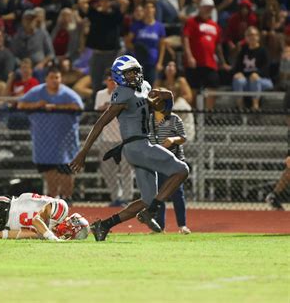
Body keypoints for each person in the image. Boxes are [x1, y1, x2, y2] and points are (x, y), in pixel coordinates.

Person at [70, 55, 189, 241]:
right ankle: (151, 212)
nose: (134, 75)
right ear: (119, 76)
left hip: (144, 144)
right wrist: (83, 152)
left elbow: (163, 114)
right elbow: (101, 123)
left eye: (135, 71)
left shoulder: (145, 87)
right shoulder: (123, 92)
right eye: (129, 73)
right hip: (137, 145)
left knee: (148, 199)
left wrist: (169, 97)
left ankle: (103, 225)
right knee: (182, 170)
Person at [17, 66, 84, 199]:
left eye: (57, 77)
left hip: (65, 141)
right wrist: (37, 105)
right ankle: (53, 199)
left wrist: (57, 107)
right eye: (52, 77)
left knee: (66, 170)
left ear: (61, 79)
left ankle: (67, 198)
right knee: (49, 170)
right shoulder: (36, 92)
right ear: (46, 79)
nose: (54, 80)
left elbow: (79, 107)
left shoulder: (68, 93)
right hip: (44, 141)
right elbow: (21, 105)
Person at [0, 193, 89, 240]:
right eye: (72, 232)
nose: (68, 235)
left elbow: (19, 234)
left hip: (0, 224)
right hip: (3, 207)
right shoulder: (61, 209)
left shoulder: (48, 233)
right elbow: (37, 219)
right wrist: (51, 237)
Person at [78, 0, 129, 96]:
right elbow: (81, 2)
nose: (105, 3)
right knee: (95, 84)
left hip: (112, 54)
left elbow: (125, 3)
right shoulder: (94, 14)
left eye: (107, 1)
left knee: (114, 83)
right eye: (103, 1)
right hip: (97, 54)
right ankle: (96, 108)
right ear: (99, 2)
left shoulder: (115, 15)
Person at [94, 70, 134, 207]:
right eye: (110, 80)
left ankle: (127, 198)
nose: (112, 83)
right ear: (106, 81)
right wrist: (107, 107)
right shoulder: (100, 94)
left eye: (115, 80)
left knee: (126, 168)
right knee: (107, 169)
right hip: (107, 138)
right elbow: (98, 111)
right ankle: (116, 196)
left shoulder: (125, 93)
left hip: (124, 137)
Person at [183, 0, 230, 109]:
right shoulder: (191, 22)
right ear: (200, 8)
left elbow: (218, 46)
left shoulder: (215, 26)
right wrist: (189, 57)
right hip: (195, 62)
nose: (208, 10)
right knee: (193, 90)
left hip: (210, 63)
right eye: (205, 7)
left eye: (210, 8)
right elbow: (185, 39)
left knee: (212, 89)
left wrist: (222, 62)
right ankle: (193, 116)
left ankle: (208, 115)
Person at [149, 108, 191, 234]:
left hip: (174, 161)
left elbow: (183, 137)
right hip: (158, 162)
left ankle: (182, 225)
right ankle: (160, 227)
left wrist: (173, 140)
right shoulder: (148, 119)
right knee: (160, 194)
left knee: (177, 194)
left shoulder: (174, 118)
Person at [232, 26, 273, 110]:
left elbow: (267, 68)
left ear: (258, 37)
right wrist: (239, 73)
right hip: (247, 81)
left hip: (263, 81)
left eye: (253, 35)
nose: (251, 37)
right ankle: (239, 106)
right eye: (249, 35)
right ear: (246, 38)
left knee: (254, 78)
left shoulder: (263, 51)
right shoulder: (243, 51)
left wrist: (257, 74)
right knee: (238, 80)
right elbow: (238, 67)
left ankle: (255, 105)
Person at [128, 0, 166, 84]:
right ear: (144, 10)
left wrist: (159, 62)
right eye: (146, 8)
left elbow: (162, 46)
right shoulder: (136, 25)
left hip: (152, 61)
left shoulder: (159, 26)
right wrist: (136, 50)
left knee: (150, 87)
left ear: (154, 10)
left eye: (151, 7)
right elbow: (128, 41)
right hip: (137, 62)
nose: (149, 10)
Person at [10, 10, 55, 75]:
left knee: (39, 72)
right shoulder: (17, 37)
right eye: (27, 19)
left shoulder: (43, 34)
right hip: (23, 67)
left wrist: (42, 63)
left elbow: (51, 53)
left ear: (36, 21)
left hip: (40, 66)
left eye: (32, 19)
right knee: (16, 74)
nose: (30, 22)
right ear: (23, 21)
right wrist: (22, 65)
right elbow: (14, 55)